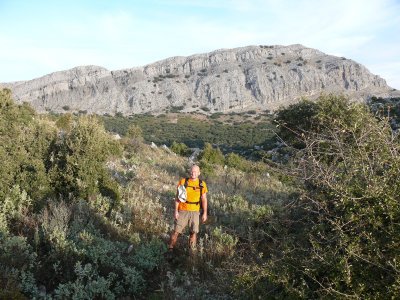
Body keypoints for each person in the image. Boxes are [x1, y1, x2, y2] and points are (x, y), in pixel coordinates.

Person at [168, 164, 208, 252]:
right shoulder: (183, 182)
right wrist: (176, 211)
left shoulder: (202, 184)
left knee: (193, 232)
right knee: (176, 231)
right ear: (190, 172)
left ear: (199, 173)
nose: (193, 173)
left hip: (195, 212)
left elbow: (204, 199)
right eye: (192, 171)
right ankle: (170, 249)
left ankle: (191, 252)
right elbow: (177, 198)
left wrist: (205, 213)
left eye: (195, 172)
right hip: (183, 210)